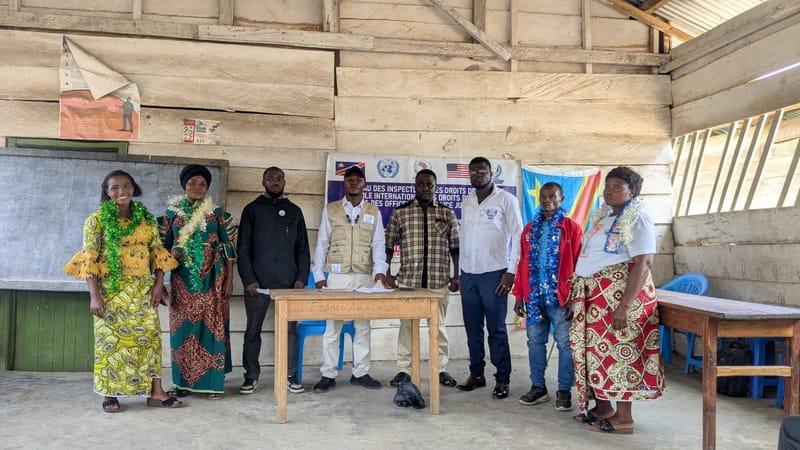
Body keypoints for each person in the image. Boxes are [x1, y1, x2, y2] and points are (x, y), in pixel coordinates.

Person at [63, 169, 181, 413]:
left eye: (126, 186)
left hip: (142, 290)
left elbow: (157, 253)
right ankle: (110, 392)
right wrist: (94, 295)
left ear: (134, 189)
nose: (121, 191)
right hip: (110, 291)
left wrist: (159, 284)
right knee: (111, 341)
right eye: (114, 188)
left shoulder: (147, 219)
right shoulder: (96, 220)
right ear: (107, 193)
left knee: (149, 338)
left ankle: (156, 392)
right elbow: (89, 259)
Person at [568, 166, 665, 434]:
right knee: (597, 356)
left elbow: (643, 262)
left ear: (632, 191)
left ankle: (624, 419)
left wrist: (624, 307)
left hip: (619, 301)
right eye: (607, 187)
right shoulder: (604, 217)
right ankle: (604, 408)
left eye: (617, 188)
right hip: (595, 300)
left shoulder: (639, 219)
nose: (609, 192)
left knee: (622, 356)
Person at [158, 165, 237, 399]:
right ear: (184, 185)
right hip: (182, 281)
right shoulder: (171, 215)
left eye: (202, 184)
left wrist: (230, 280)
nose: (197, 187)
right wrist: (161, 278)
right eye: (192, 182)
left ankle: (213, 385)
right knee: (182, 330)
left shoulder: (217, 214)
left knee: (212, 329)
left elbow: (228, 248)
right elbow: (162, 251)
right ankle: (182, 384)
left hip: (213, 279)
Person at [311, 165, 389, 393]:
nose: (354, 183)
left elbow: (378, 245)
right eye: (349, 180)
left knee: (363, 326)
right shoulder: (331, 209)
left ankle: (361, 372)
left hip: (364, 276)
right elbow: (323, 242)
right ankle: (328, 373)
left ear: (364, 184)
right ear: (344, 184)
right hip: (337, 277)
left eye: (358, 180)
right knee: (332, 327)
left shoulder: (373, 211)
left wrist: (379, 271)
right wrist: (318, 274)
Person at [237, 166, 310, 395]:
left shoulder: (294, 211)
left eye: (279, 178)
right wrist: (249, 279)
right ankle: (251, 376)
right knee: (252, 331)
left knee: (290, 332)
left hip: (289, 284)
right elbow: (243, 248)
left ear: (285, 182)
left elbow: (303, 249)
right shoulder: (252, 210)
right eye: (270, 178)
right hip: (258, 285)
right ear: (263, 182)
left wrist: (301, 278)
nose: (275, 182)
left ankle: (290, 375)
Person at [385, 169, 460, 388]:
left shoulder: (447, 213)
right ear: (414, 186)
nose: (425, 188)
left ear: (436, 187)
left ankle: (441, 369)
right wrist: (387, 272)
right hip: (409, 283)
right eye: (421, 184)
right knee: (407, 327)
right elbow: (388, 244)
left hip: (438, 283)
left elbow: (456, 248)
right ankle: (404, 370)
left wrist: (457, 275)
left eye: (429, 185)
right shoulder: (402, 213)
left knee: (438, 327)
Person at [457, 156, 523, 399]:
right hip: (469, 275)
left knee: (496, 329)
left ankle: (502, 378)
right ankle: (476, 374)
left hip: (495, 274)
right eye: (473, 172)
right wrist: (460, 273)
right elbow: (464, 239)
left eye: (481, 171)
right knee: (472, 329)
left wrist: (511, 273)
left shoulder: (506, 200)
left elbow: (518, 236)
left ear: (491, 173)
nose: (477, 175)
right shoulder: (467, 201)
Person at [512, 182, 582, 411]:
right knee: (534, 342)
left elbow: (579, 265)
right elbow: (522, 263)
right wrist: (519, 295)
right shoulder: (530, 229)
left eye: (553, 196)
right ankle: (538, 387)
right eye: (543, 196)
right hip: (534, 297)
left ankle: (564, 390)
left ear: (562, 199)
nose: (547, 200)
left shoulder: (571, 228)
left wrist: (574, 297)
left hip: (559, 298)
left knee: (564, 343)